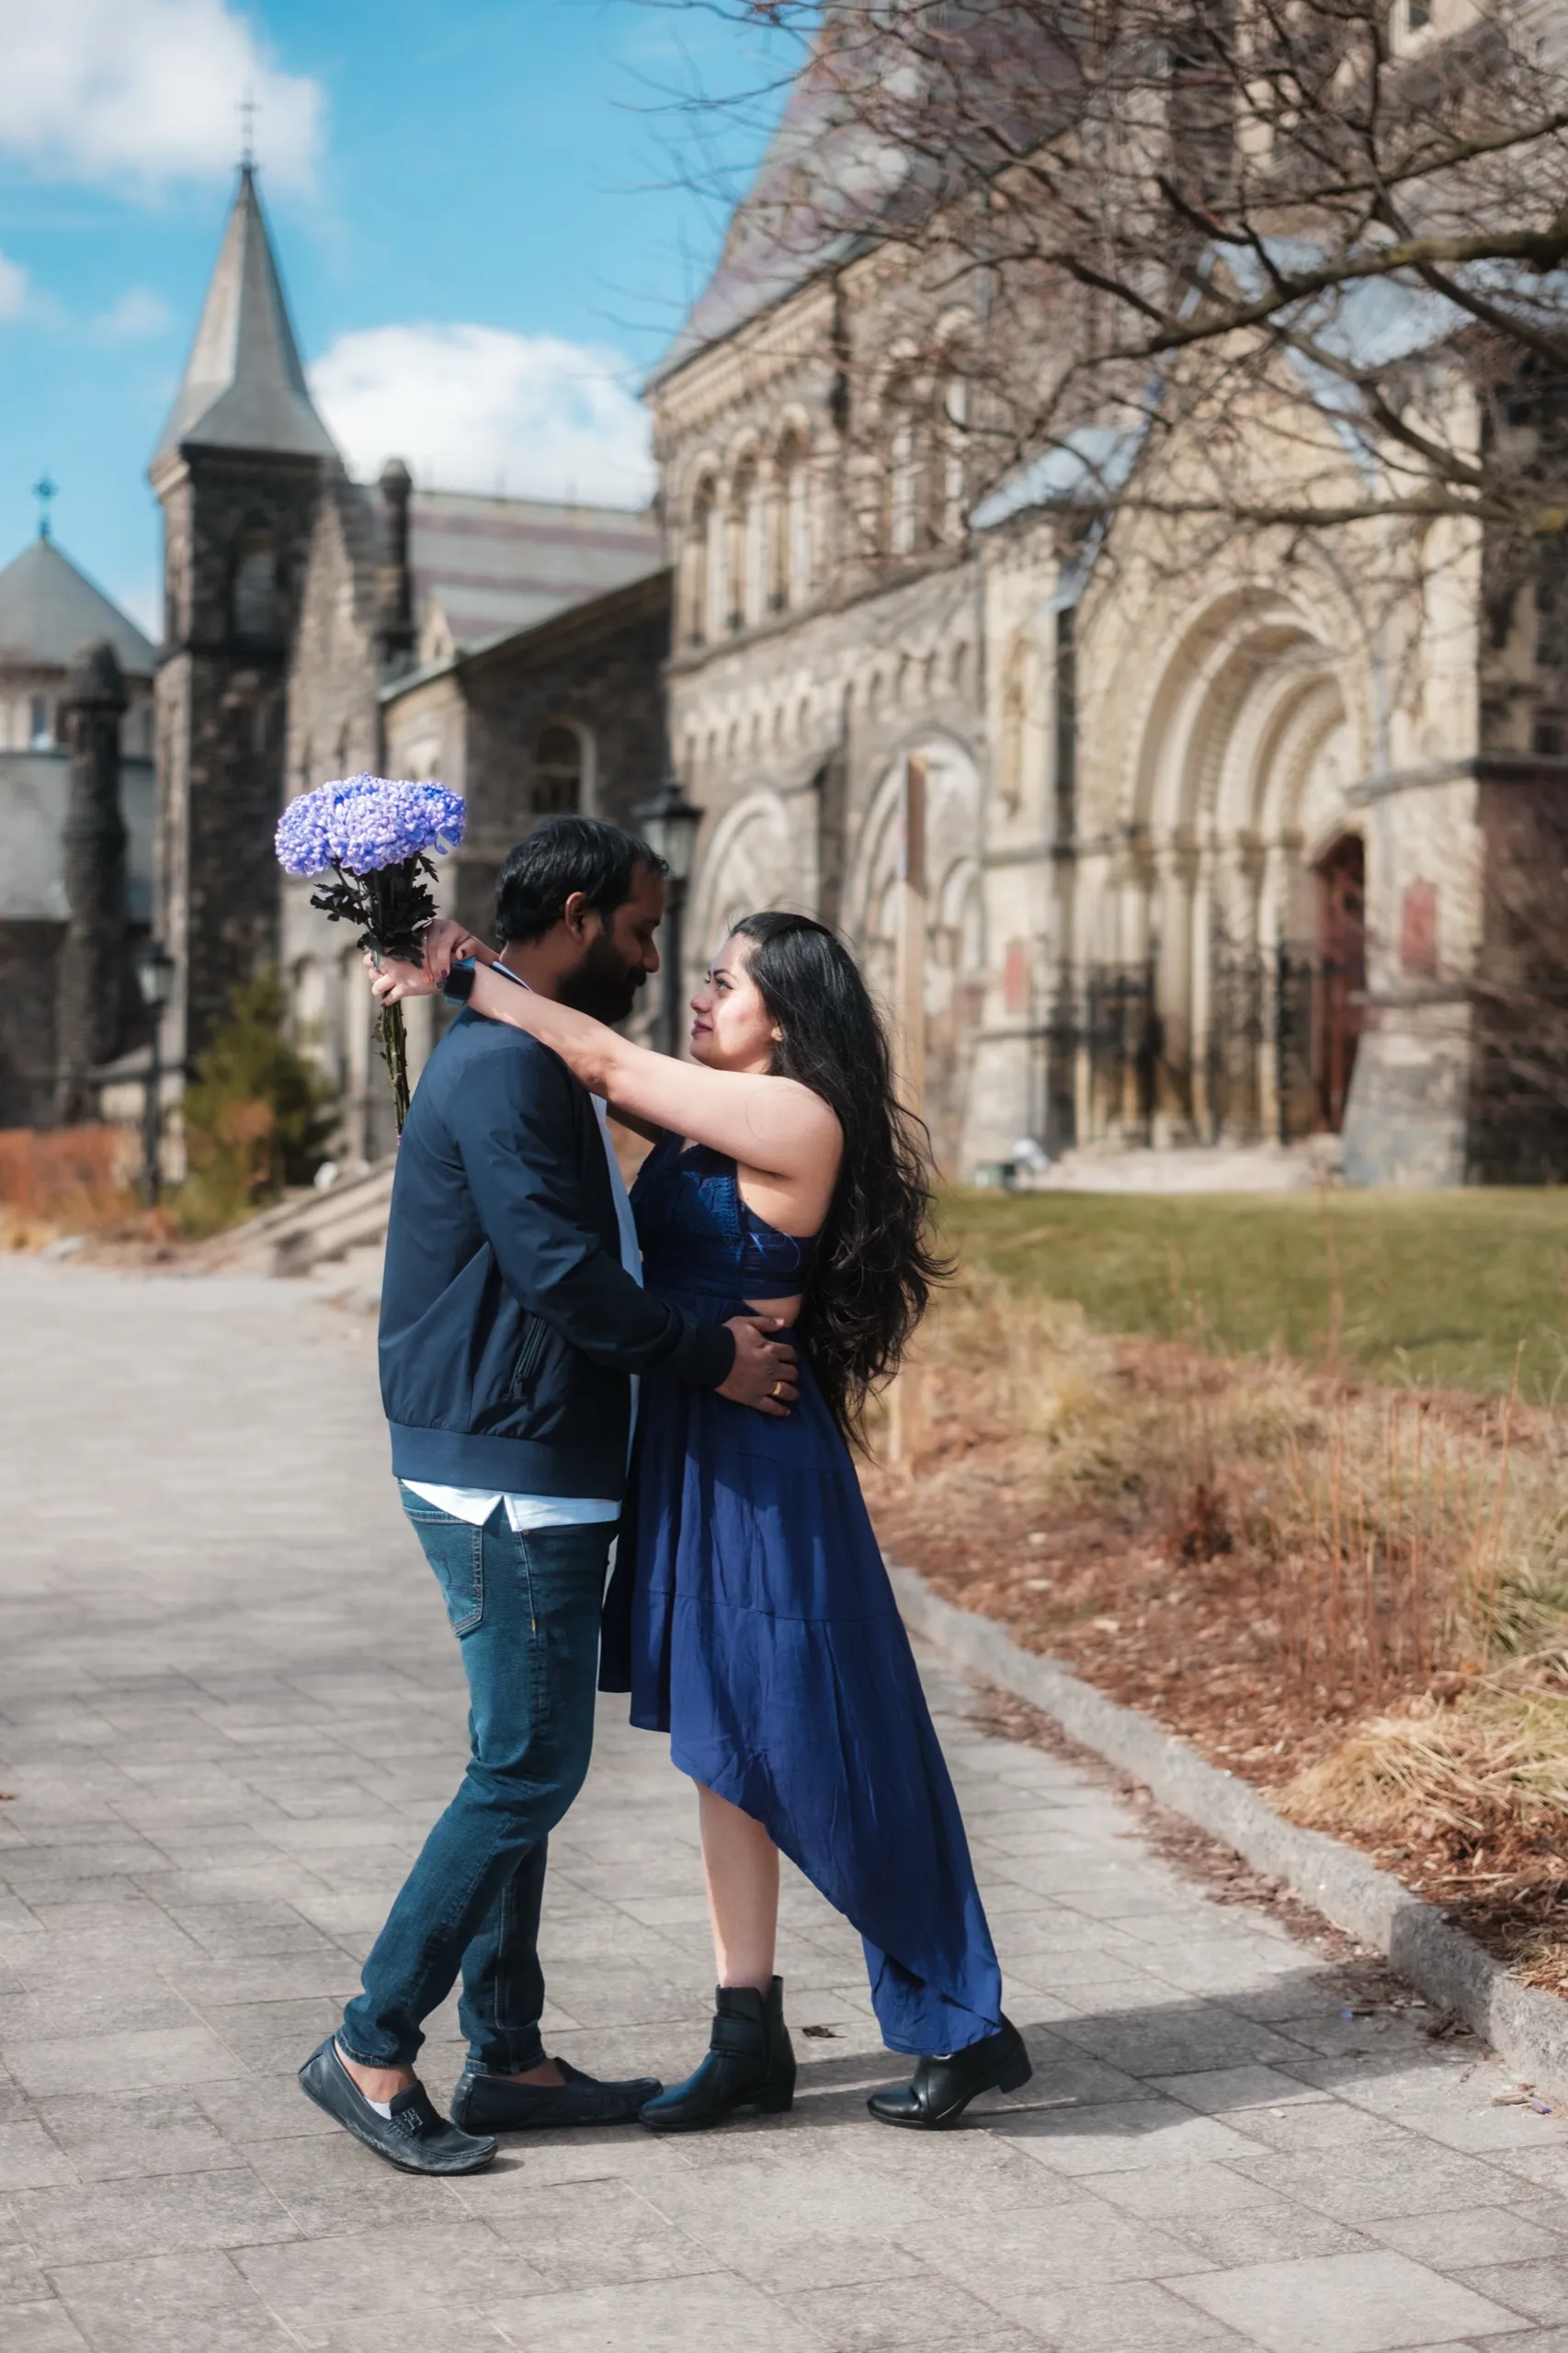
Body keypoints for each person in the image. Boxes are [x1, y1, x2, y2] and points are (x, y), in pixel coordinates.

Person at [374, 903, 1030, 2132]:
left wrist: (464, 970)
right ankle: (746, 2035)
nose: (700, 994)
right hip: (692, 1450)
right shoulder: (710, 1115)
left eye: (726, 982)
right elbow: (573, 1071)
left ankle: (965, 2019)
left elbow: (603, 1060)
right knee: (727, 1752)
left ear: (786, 1015)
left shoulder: (797, 1116)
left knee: (820, 1744)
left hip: (761, 1463)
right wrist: (469, 970)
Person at [299, 817, 799, 2176]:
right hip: (504, 1468)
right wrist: (711, 1359)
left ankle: (508, 2058)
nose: (653, 960)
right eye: (640, 931)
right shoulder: (506, 1069)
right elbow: (563, 1276)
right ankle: (369, 2044)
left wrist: (460, 968)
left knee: (511, 1760)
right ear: (577, 915)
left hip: (521, 1455)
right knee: (527, 1767)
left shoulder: (526, 1050)